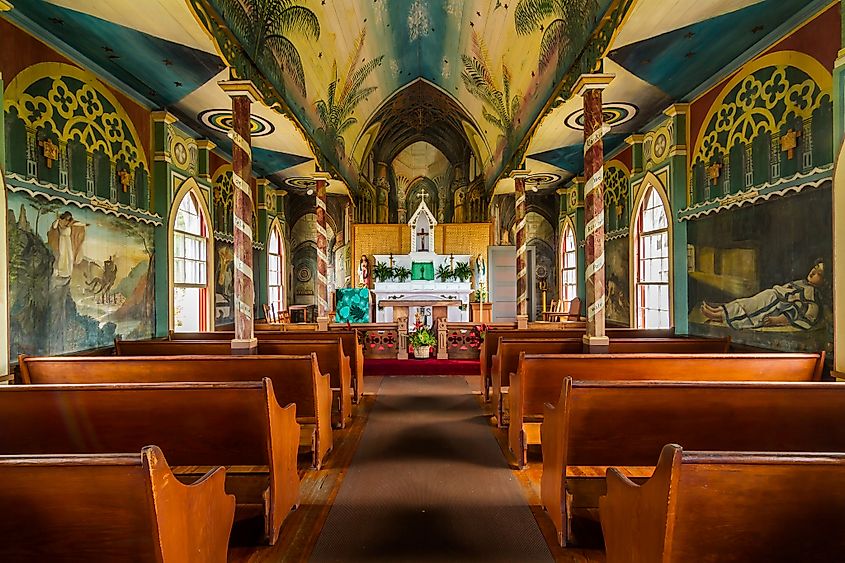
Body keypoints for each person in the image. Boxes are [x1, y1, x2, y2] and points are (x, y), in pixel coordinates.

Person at [700, 260, 825, 330]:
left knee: (749, 307)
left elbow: (798, 311)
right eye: (814, 267)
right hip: (771, 296)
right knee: (746, 302)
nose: (813, 272)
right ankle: (718, 311)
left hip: (776, 304)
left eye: (819, 273)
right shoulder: (802, 283)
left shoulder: (811, 293)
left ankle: (721, 316)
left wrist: (776, 320)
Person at [47, 210, 86, 279]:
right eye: (67, 217)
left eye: (69, 218)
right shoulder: (60, 222)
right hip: (62, 240)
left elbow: (78, 224)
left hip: (68, 241)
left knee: (70, 256)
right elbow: (54, 226)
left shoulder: (70, 223)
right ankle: (61, 272)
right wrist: (58, 220)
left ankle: (68, 272)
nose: (68, 219)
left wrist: (85, 224)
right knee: (62, 256)